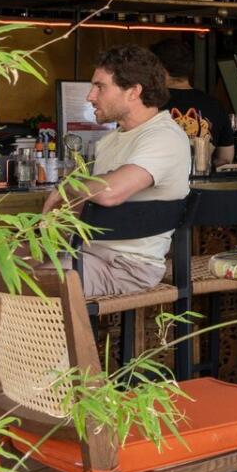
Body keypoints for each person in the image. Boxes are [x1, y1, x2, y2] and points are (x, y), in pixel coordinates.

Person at [51, 44, 193, 296]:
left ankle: (60, 336)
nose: (90, 96)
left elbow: (110, 193)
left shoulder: (164, 137)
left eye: (100, 87)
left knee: (33, 282)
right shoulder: (111, 140)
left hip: (127, 267)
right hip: (89, 254)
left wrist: (66, 187)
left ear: (133, 92)